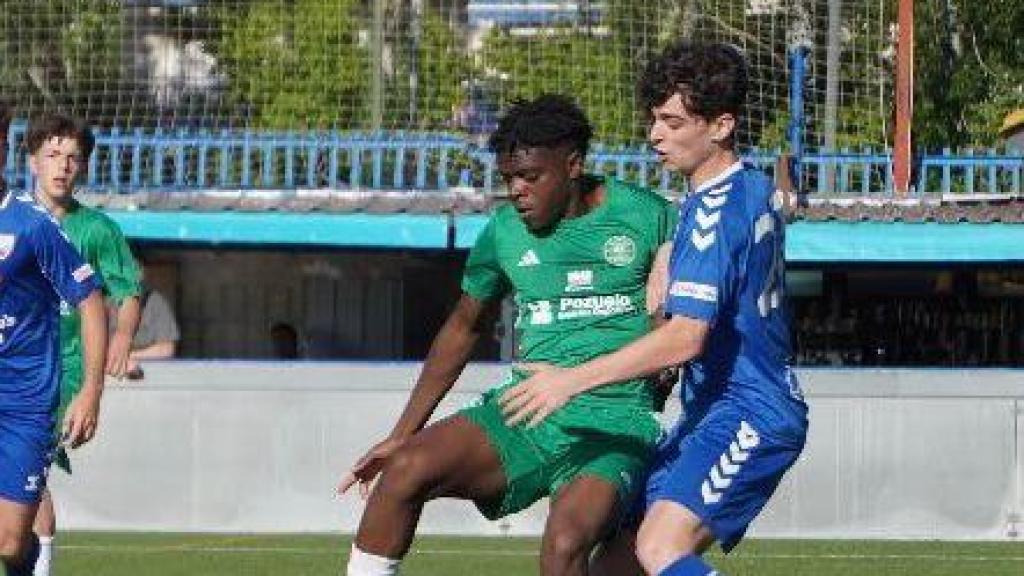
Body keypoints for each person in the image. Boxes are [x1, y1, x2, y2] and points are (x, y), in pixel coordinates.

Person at [499, 43, 809, 576]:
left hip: (751, 412)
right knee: (614, 567)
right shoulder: (748, 188)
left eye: (672, 121)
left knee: (661, 548)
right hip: (710, 412)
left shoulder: (712, 215)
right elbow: (780, 204)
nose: (654, 136)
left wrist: (568, 380)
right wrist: (671, 253)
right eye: (654, 120)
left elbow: (685, 338)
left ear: (721, 126)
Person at [338, 94, 678, 576]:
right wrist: (401, 435)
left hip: (617, 421)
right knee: (405, 470)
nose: (516, 190)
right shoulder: (503, 232)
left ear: (573, 165)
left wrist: (665, 360)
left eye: (530, 177)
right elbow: (462, 327)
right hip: (524, 411)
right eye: (508, 179)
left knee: (564, 544)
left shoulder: (650, 216)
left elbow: (681, 317)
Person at [25, 113, 143, 576]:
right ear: (32, 160)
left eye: (73, 158)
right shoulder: (13, 218)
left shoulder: (95, 230)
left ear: (84, 169)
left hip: (64, 369)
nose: (62, 166)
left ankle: (40, 566)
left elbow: (127, 291)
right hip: (15, 361)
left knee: (24, 469)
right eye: (53, 155)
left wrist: (122, 336)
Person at [0, 100, 107, 576]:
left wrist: (90, 391)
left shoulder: (33, 225)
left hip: (25, 401)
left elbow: (89, 300)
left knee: (8, 542)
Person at [125, 286, 180, 379]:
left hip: (153, 379)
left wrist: (129, 357)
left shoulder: (154, 301)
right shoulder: (100, 301)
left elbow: (166, 349)